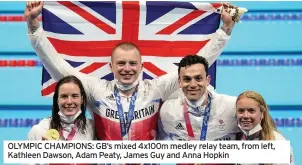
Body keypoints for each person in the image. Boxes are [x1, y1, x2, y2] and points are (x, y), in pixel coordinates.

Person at [25, 1, 236, 140]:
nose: (127, 69)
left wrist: (224, 30)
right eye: (121, 64)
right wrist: (34, 27)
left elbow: (197, 64)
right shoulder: (95, 89)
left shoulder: (156, 88)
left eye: (132, 64)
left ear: (141, 66)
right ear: (111, 66)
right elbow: (59, 68)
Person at [159, 55, 239, 141]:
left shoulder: (232, 107)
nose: (193, 85)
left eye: (198, 78)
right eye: (187, 79)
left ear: (207, 80)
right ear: (180, 82)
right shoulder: (167, 111)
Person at [27, 75, 95, 141]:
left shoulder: (93, 129)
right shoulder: (39, 131)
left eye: (74, 96)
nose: (69, 102)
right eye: (64, 96)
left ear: (82, 99)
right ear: (57, 100)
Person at [235, 91, 294, 165]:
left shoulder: (278, 143)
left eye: (251, 111)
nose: (245, 116)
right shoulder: (236, 138)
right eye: (241, 111)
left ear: (262, 114)